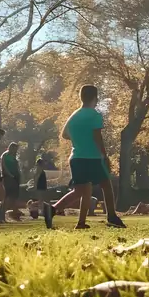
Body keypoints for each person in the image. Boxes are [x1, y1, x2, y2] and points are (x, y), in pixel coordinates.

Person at [44, 85, 125, 231]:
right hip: (92, 157)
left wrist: (79, 138)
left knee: (82, 190)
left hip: (76, 157)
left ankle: (56, 211)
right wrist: (105, 156)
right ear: (95, 98)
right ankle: (112, 216)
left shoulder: (74, 115)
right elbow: (97, 137)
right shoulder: (94, 115)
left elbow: (64, 134)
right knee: (106, 184)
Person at [1, 142, 22, 219]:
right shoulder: (5, 155)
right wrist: (9, 175)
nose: (15, 151)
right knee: (7, 195)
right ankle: (2, 212)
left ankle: (14, 212)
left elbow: (16, 167)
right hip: (8, 177)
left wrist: (18, 175)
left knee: (15, 195)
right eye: (14, 149)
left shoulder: (14, 156)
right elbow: (4, 166)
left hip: (15, 177)